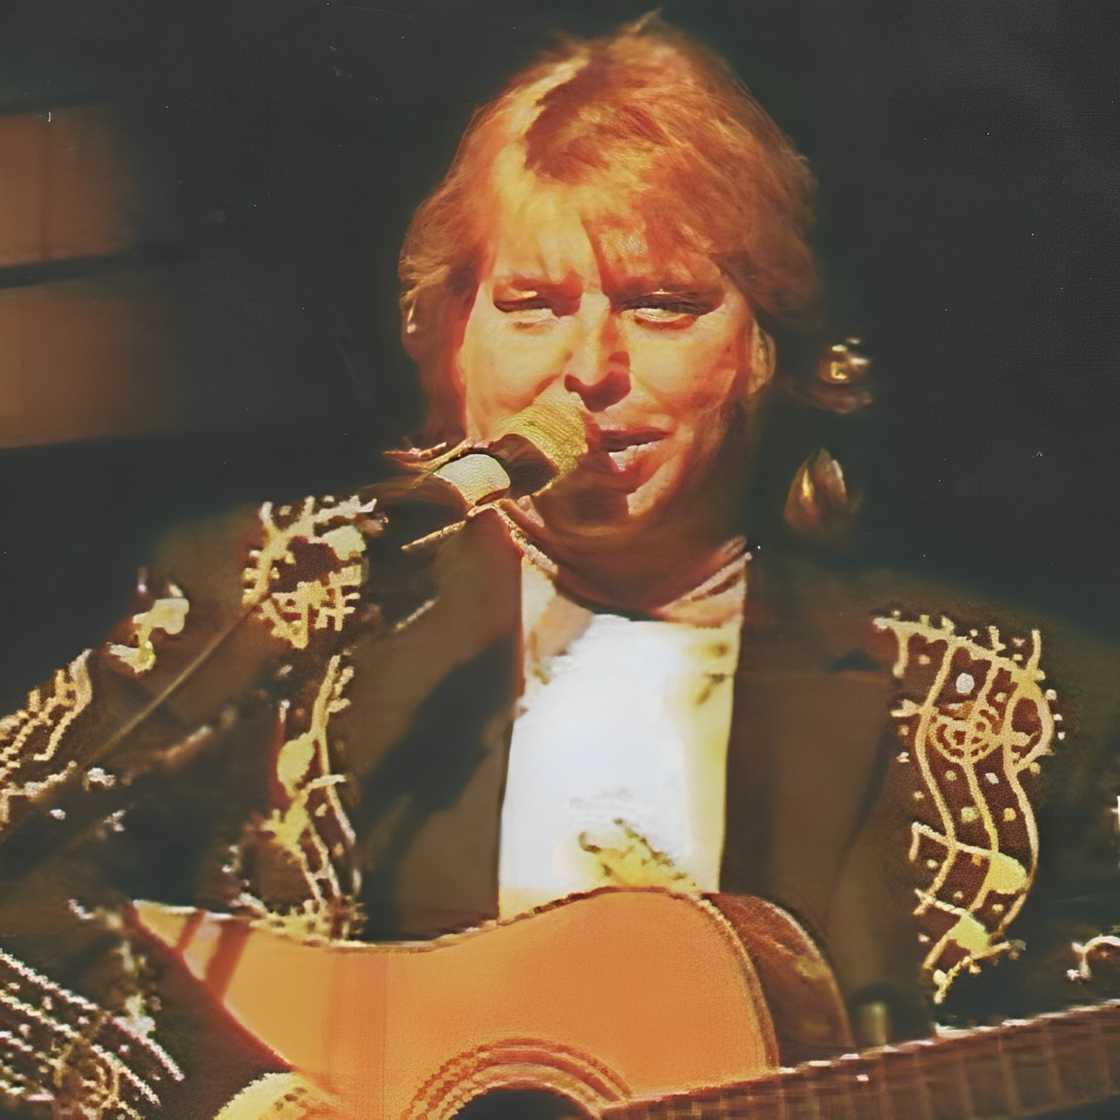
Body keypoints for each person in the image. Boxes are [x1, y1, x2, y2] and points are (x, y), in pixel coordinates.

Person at [1, 15, 1118, 1120]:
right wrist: (256, 1101)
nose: (589, 367)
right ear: (450, 338)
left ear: (768, 353)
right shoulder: (283, 592)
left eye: (661, 305)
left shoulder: (1017, 706)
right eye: (531, 306)